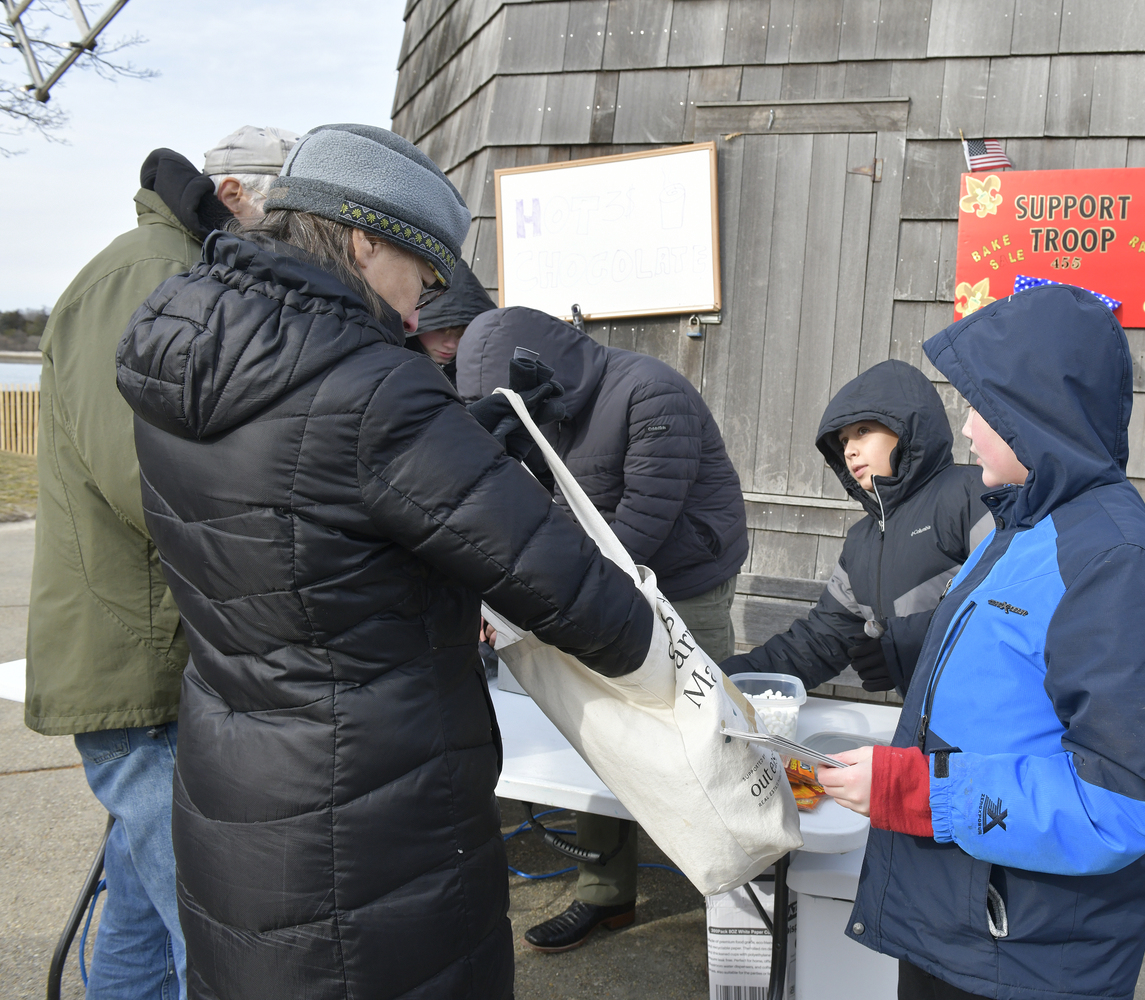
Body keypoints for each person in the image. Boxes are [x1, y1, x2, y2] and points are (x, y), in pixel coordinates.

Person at [115, 123, 654, 998]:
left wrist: (472, 443)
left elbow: (305, 502)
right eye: (426, 271)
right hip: (369, 815)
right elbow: (585, 601)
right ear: (365, 236)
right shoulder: (370, 384)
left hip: (236, 776)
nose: (426, 302)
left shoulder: (188, 353)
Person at [815, 285, 1145, 1000]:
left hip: (1025, 951)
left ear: (1037, 414)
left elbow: (1118, 802)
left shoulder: (1119, 567)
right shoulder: (1024, 527)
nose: (964, 430)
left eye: (981, 407)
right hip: (963, 920)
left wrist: (919, 794)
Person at [27, 124, 296, 999]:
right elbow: (148, 479)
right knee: (213, 934)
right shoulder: (151, 275)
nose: (286, 239)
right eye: (279, 215)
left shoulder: (172, 268)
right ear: (234, 197)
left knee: (144, 914)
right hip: (146, 662)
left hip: (151, 652)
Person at [458, 306, 748, 952]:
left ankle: (734, 893)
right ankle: (603, 894)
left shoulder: (649, 390)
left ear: (545, 367)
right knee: (605, 730)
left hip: (685, 577)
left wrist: (544, 599)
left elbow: (643, 521)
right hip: (596, 578)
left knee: (704, 730)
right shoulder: (539, 411)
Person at [719, 359, 992, 692]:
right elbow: (822, 640)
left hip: (1000, 717)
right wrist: (724, 679)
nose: (850, 450)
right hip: (927, 727)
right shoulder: (862, 541)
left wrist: (913, 642)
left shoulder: (972, 494)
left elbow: (1010, 602)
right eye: (844, 440)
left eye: (863, 431)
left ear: (906, 427)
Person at [404, 259, 494, 384]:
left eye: (462, 333)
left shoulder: (487, 372)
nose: (451, 345)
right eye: (440, 330)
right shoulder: (392, 368)